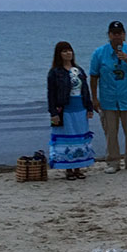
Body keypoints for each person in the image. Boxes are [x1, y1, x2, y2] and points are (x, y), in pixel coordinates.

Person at [89, 20, 127, 174]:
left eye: (119, 33)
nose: (117, 36)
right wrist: (94, 98)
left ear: (124, 35)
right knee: (111, 134)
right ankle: (113, 162)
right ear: (109, 35)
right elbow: (94, 77)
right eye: (114, 34)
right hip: (108, 100)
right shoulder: (99, 53)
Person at [47, 41, 95, 180]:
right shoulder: (55, 73)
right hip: (65, 110)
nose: (68, 53)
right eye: (64, 51)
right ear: (59, 54)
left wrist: (89, 107)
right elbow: (51, 94)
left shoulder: (78, 70)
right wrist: (53, 113)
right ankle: (68, 169)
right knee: (67, 139)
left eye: (69, 50)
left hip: (80, 108)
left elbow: (85, 90)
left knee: (80, 138)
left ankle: (78, 167)